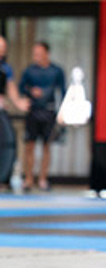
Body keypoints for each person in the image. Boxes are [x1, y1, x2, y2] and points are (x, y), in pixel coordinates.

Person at [19, 41, 65, 192]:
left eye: (39, 53)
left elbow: (62, 91)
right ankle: (28, 179)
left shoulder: (56, 71)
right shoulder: (29, 71)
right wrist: (31, 91)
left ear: (47, 53)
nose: (36, 57)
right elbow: (20, 88)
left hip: (49, 111)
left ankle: (43, 179)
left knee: (46, 146)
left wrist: (63, 113)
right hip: (33, 112)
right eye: (34, 54)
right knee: (29, 145)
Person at [0, 36, 30, 189]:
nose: (2, 51)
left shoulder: (6, 68)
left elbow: (11, 88)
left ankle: (3, 177)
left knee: (6, 143)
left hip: (1, 109)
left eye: (4, 48)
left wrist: (19, 102)